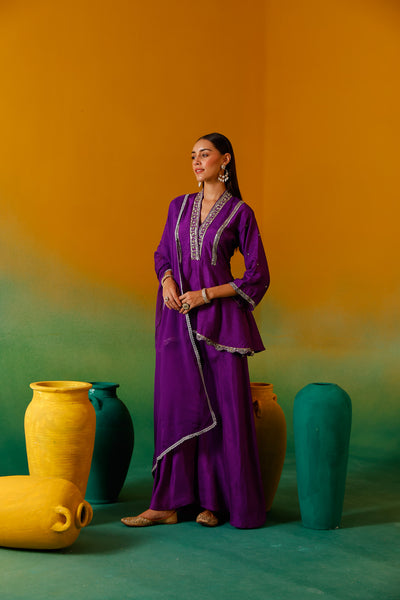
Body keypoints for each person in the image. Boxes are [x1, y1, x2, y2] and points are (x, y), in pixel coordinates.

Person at [121, 132, 270, 529]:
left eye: (205, 154)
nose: (197, 162)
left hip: (221, 325)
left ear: (225, 160)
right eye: (193, 156)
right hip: (178, 320)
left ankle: (215, 502)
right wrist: (167, 280)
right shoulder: (179, 206)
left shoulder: (240, 213)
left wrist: (206, 294)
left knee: (225, 411)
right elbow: (163, 254)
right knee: (179, 406)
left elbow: (257, 275)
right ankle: (167, 504)